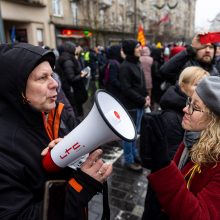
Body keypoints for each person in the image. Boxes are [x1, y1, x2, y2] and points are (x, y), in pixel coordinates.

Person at [0, 43, 112, 219]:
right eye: (42, 78)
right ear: (18, 87)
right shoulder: (5, 147)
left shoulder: (58, 114)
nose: (55, 84)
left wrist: (74, 153)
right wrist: (81, 186)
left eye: (51, 75)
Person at [142, 76, 220, 219]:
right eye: (189, 101)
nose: (185, 109)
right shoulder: (191, 138)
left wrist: (163, 166)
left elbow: (200, 216)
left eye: (195, 107)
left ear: (215, 122)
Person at [119, 39, 150, 172]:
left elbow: (140, 83)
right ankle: (129, 160)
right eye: (138, 47)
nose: (140, 49)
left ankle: (135, 155)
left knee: (135, 133)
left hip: (139, 104)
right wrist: (142, 100)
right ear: (131, 49)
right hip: (131, 105)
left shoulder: (137, 62)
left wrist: (146, 96)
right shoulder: (125, 66)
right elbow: (126, 89)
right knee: (128, 135)